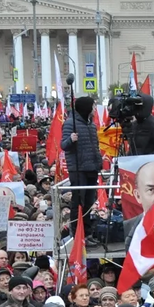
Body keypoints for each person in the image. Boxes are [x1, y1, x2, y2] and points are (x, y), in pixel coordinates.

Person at [61, 96, 104, 225]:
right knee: (79, 202)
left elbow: (95, 145)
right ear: (86, 107)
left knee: (89, 201)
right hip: (78, 169)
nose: (95, 109)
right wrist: (70, 139)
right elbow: (63, 145)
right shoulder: (70, 123)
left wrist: (99, 163)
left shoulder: (91, 124)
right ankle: (76, 233)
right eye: (93, 106)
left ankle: (87, 233)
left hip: (92, 167)